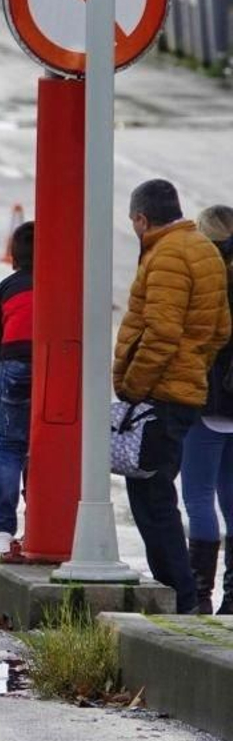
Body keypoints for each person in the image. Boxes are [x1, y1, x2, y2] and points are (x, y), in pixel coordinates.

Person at [114, 180, 231, 615]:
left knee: (152, 496)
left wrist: (133, 387)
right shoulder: (202, 249)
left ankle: (181, 596)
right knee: (163, 490)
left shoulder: (165, 255)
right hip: (186, 390)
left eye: (133, 223)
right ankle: (186, 593)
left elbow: (160, 333)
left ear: (142, 219)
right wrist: (195, 366)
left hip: (159, 394)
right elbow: (220, 329)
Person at [181, 205, 233, 614]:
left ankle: (199, 595)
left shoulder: (202, 275)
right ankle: (232, 598)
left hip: (206, 400)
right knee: (231, 497)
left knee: (198, 495)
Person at [0, 220, 34, 556]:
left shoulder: (6, 288)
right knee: (44, 448)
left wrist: (3, 374)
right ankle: (43, 521)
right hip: (52, 367)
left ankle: (2, 529)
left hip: (13, 364)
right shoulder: (63, 285)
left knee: (11, 446)